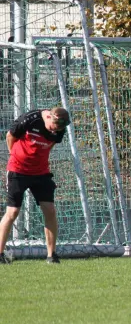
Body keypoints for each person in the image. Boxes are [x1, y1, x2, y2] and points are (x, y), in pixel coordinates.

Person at [0, 107, 70, 265]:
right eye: (55, 125)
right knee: (12, 212)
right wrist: (16, 156)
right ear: (50, 117)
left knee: (50, 210)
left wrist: (39, 159)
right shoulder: (31, 119)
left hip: (41, 172)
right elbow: (10, 135)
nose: (56, 129)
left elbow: (50, 144)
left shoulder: (59, 130)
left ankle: (51, 256)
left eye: (60, 127)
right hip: (18, 170)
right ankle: (0, 253)